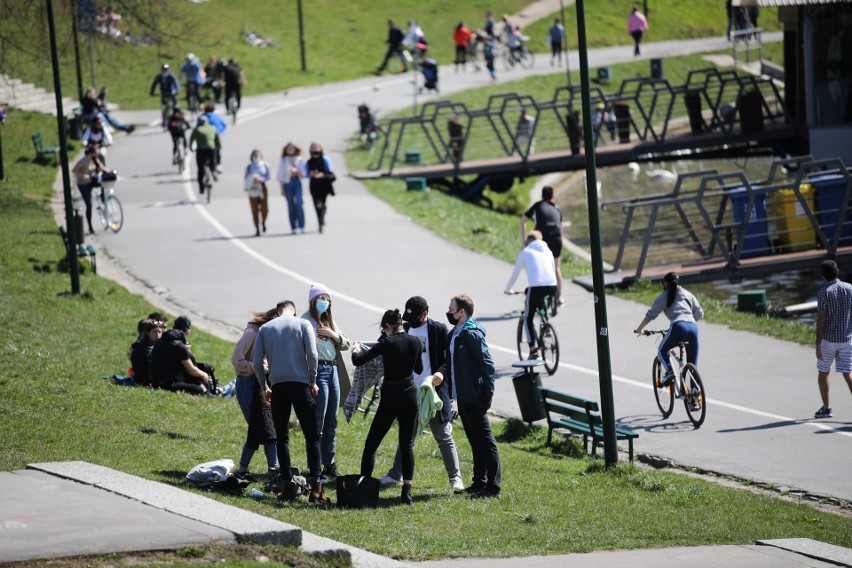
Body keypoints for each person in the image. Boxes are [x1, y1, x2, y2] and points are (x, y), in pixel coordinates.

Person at [379, 296, 464, 492]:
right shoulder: (405, 328)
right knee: (406, 436)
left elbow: (448, 359)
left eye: (416, 316)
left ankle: (455, 478)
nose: (411, 320)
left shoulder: (438, 330)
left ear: (426, 313)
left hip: (433, 392)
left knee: (443, 435)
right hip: (409, 392)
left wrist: (440, 373)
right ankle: (395, 475)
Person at [254, 300, 328, 503]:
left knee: (282, 438)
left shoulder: (266, 328)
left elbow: (257, 362)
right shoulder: (303, 324)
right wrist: (313, 380)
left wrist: (264, 386)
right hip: (301, 385)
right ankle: (316, 488)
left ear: (278, 312)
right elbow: (312, 354)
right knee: (312, 437)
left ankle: (287, 484)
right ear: (293, 311)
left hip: (278, 387)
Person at [353, 309, 423, 505]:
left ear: (387, 327)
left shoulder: (386, 342)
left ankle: (365, 486)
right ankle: (406, 490)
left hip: (391, 396)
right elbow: (418, 368)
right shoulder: (415, 341)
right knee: (407, 444)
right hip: (410, 395)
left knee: (372, 444)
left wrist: (356, 347)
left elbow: (357, 361)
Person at [433, 294, 500, 498]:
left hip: (474, 397)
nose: (449, 312)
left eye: (451, 309)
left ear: (462, 312)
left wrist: (487, 395)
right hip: (462, 396)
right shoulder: (454, 334)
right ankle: (479, 483)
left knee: (486, 443)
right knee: (475, 442)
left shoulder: (471, 334)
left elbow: (487, 365)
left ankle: (493, 487)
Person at [302, 283, 351, 482]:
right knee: (317, 421)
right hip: (318, 371)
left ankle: (329, 463)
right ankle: (315, 465)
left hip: (333, 371)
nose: (325, 302)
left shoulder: (329, 320)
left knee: (332, 420)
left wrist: (333, 335)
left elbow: (346, 343)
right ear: (313, 301)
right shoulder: (305, 321)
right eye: (321, 298)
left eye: (327, 299)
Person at [231, 302, 284, 483]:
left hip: (263, 385)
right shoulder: (252, 333)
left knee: (270, 429)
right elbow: (236, 359)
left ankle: (273, 470)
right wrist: (257, 367)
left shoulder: (271, 336)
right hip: (247, 384)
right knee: (258, 428)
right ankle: (244, 471)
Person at [633, 272, 704, 395]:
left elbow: (651, 315)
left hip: (678, 327)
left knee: (661, 350)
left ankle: (670, 372)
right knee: (693, 365)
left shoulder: (663, 297)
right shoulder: (688, 294)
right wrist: (688, 320)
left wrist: (640, 329)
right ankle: (695, 398)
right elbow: (700, 314)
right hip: (693, 328)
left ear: (665, 283)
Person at [504, 231, 559, 359]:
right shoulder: (548, 251)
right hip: (552, 286)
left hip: (536, 288)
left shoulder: (526, 252)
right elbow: (552, 270)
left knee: (528, 318)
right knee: (541, 303)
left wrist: (508, 289)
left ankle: (533, 349)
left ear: (528, 241)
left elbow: (515, 273)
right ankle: (545, 326)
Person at [814, 260, 852, 418]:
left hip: (829, 340)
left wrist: (818, 344)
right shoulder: (850, 288)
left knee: (824, 372)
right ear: (838, 271)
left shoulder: (824, 293)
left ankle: (826, 407)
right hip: (847, 338)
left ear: (823, 275)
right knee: (847, 373)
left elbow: (821, 320)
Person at [520, 185, 565, 307]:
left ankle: (540, 295)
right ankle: (560, 297)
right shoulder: (557, 208)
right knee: (556, 268)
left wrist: (525, 241)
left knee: (540, 266)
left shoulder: (537, 205)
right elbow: (560, 228)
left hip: (543, 238)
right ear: (553, 197)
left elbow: (523, 220)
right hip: (556, 238)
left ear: (542, 196)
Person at [148, 315, 212, 395]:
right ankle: (208, 391)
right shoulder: (179, 346)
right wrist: (204, 374)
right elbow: (191, 370)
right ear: (188, 332)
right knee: (198, 389)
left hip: (154, 383)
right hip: (167, 385)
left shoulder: (160, 341)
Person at [71, 145, 105, 234]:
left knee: (102, 185)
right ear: (92, 152)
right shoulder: (83, 161)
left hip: (91, 182)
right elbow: (74, 170)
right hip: (83, 184)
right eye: (97, 150)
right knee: (89, 204)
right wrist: (83, 175)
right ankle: (90, 226)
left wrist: (110, 172)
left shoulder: (95, 159)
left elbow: (101, 167)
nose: (98, 151)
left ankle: (103, 200)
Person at [276, 142, 306, 234]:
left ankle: (301, 225)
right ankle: (293, 226)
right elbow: (280, 175)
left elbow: (304, 174)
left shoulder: (299, 159)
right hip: (287, 184)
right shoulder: (283, 160)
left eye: (292, 149)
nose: (290, 150)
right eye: (288, 149)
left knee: (299, 204)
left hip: (297, 182)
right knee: (291, 205)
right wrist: (281, 189)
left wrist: (296, 171)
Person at [305, 143, 335, 234]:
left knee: (323, 203)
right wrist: (311, 174)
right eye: (313, 148)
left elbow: (330, 171)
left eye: (317, 147)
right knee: (317, 204)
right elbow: (306, 174)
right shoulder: (309, 161)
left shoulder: (325, 159)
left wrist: (322, 175)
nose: (315, 149)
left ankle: (323, 213)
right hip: (314, 185)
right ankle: (320, 223)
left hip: (324, 184)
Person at [189, 114, 221, 195]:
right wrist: (219, 147)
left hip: (200, 150)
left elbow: (191, 140)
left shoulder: (197, 129)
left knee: (200, 169)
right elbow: (217, 139)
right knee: (213, 162)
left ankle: (201, 188)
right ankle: (213, 171)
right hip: (211, 149)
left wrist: (191, 148)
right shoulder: (212, 128)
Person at [129, 319, 164, 387]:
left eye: (160, 332)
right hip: (145, 382)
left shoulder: (146, 344)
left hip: (140, 379)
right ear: (148, 333)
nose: (158, 335)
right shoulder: (146, 348)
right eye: (155, 332)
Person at [243, 149, 270, 237]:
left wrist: (260, 179)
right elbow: (246, 178)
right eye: (254, 155)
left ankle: (263, 222)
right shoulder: (249, 167)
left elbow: (268, 176)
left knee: (264, 208)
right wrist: (252, 179)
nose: (256, 157)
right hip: (252, 188)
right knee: (254, 210)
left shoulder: (265, 165)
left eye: (257, 155)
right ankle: (257, 228)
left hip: (262, 187)